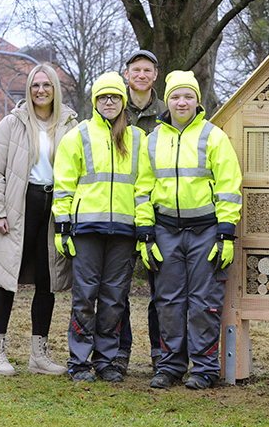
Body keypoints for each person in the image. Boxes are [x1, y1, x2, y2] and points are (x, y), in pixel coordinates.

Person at [134, 70, 242, 390]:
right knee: (167, 302)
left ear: (198, 101)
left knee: (204, 302)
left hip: (206, 232)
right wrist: (145, 233)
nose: (182, 102)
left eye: (188, 96)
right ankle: (170, 366)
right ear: (167, 101)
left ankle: (205, 368)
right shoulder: (152, 140)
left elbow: (229, 186)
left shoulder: (213, 136)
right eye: (176, 96)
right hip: (165, 231)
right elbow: (142, 190)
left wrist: (225, 232)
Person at [0, 64, 77, 377]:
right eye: (35, 85)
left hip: (54, 209)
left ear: (55, 89)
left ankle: (39, 355)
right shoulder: (12, 123)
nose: (40, 90)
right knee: (7, 280)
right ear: (29, 88)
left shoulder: (69, 123)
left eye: (46, 85)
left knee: (46, 281)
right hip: (19, 207)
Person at [52, 72, 144, 383]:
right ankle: (79, 362)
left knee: (114, 298)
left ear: (123, 101)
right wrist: (62, 226)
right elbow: (63, 185)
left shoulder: (137, 140)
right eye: (103, 96)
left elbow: (144, 187)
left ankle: (106, 362)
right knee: (84, 297)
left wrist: (144, 228)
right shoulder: (77, 136)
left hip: (123, 232)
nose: (109, 101)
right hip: (86, 231)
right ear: (95, 101)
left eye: (115, 96)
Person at [113, 49, 168, 375]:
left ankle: (160, 354)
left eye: (148, 70)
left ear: (155, 75)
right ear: (127, 73)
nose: (142, 75)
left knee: (160, 291)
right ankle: (120, 352)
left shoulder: (168, 110)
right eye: (136, 70)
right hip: (119, 210)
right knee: (117, 290)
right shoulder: (114, 108)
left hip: (156, 212)